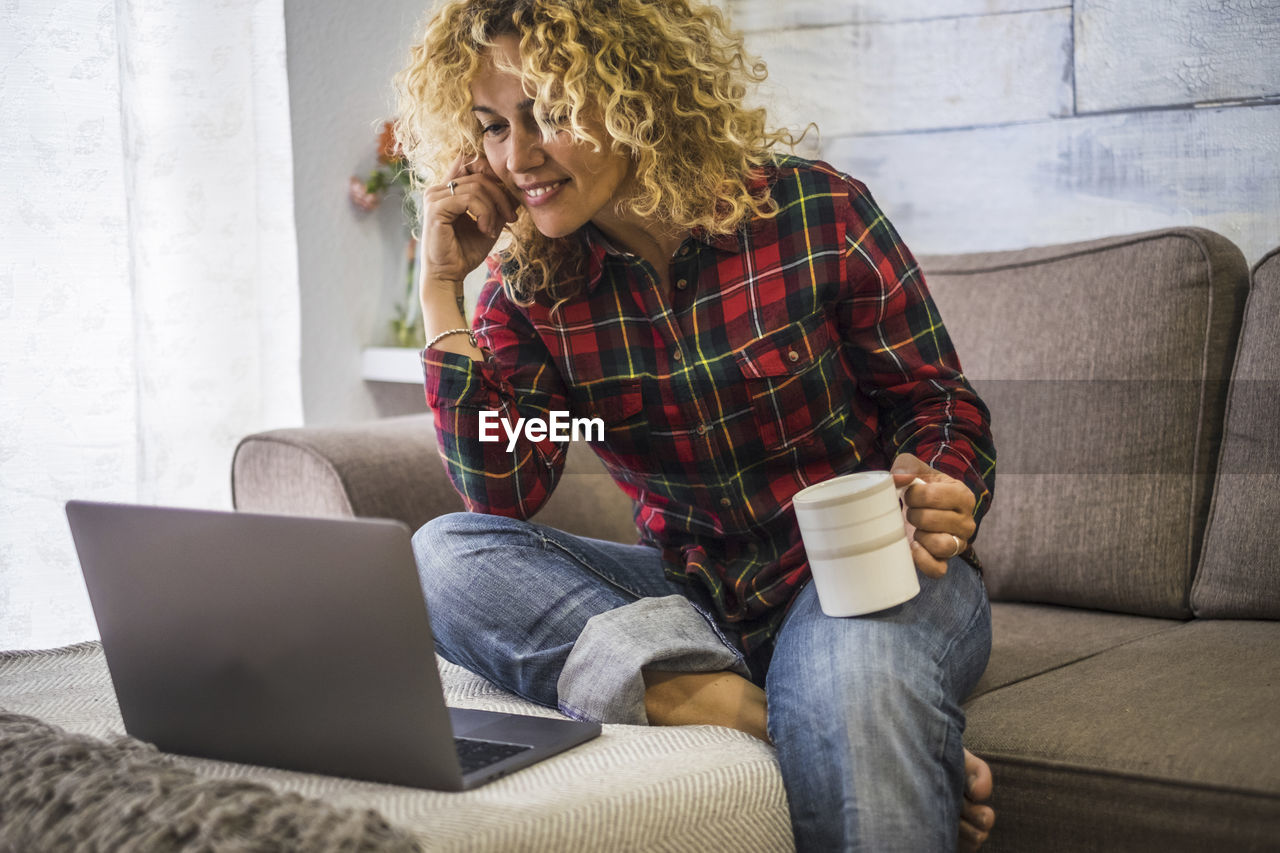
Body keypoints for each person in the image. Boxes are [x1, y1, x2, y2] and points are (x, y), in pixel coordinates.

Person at [394, 1, 997, 849]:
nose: (519, 158)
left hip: (868, 575)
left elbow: (939, 404)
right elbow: (503, 490)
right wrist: (440, 291)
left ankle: (814, 711)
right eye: (493, 128)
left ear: (635, 92)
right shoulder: (525, 293)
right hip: (698, 599)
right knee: (444, 555)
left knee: (851, 674)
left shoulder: (816, 214)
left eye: (551, 114)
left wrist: (936, 480)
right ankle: (752, 711)